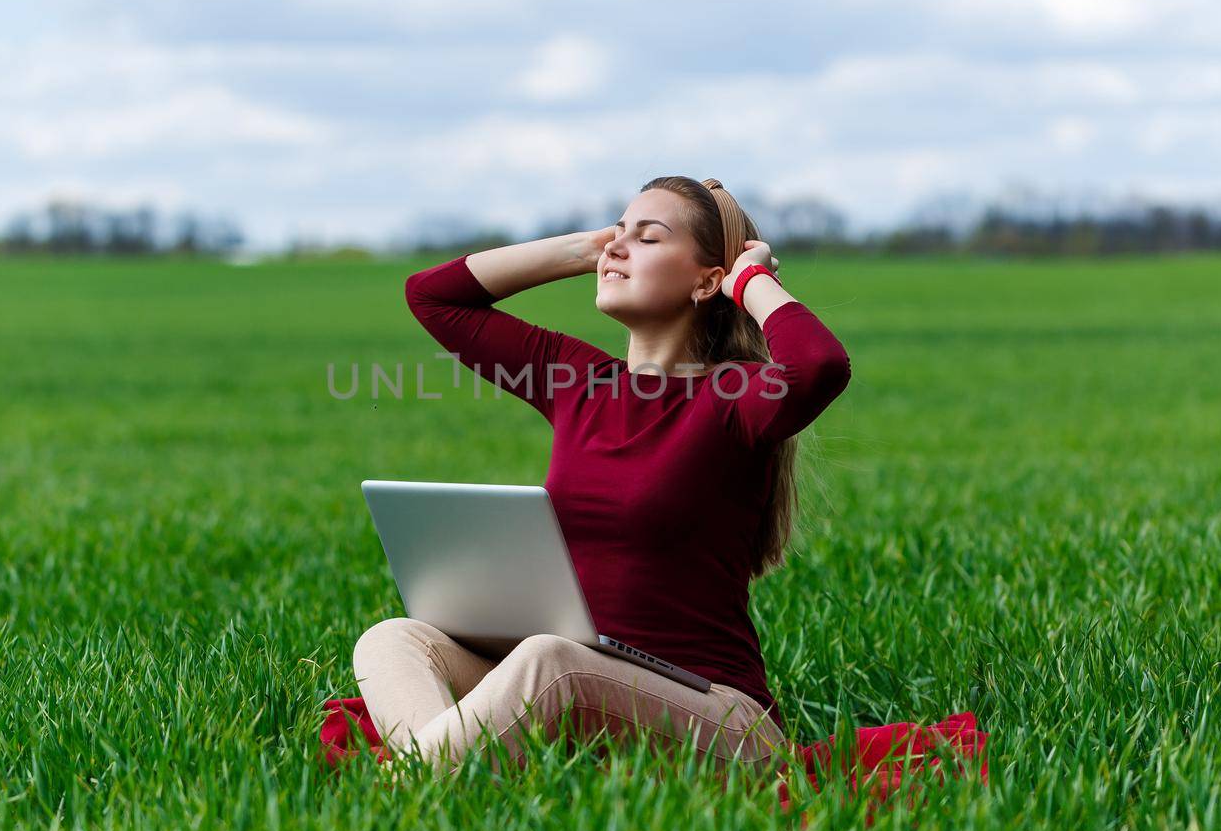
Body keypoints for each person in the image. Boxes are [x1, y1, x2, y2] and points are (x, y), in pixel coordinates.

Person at [352, 176, 852, 774]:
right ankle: (448, 771)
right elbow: (432, 297)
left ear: (706, 281)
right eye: (619, 230)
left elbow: (819, 364)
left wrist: (751, 279)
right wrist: (588, 248)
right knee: (393, 639)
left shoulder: (732, 397)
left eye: (649, 238)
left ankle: (409, 782)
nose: (619, 247)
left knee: (551, 662)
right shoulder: (577, 380)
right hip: (579, 689)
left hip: (716, 718)